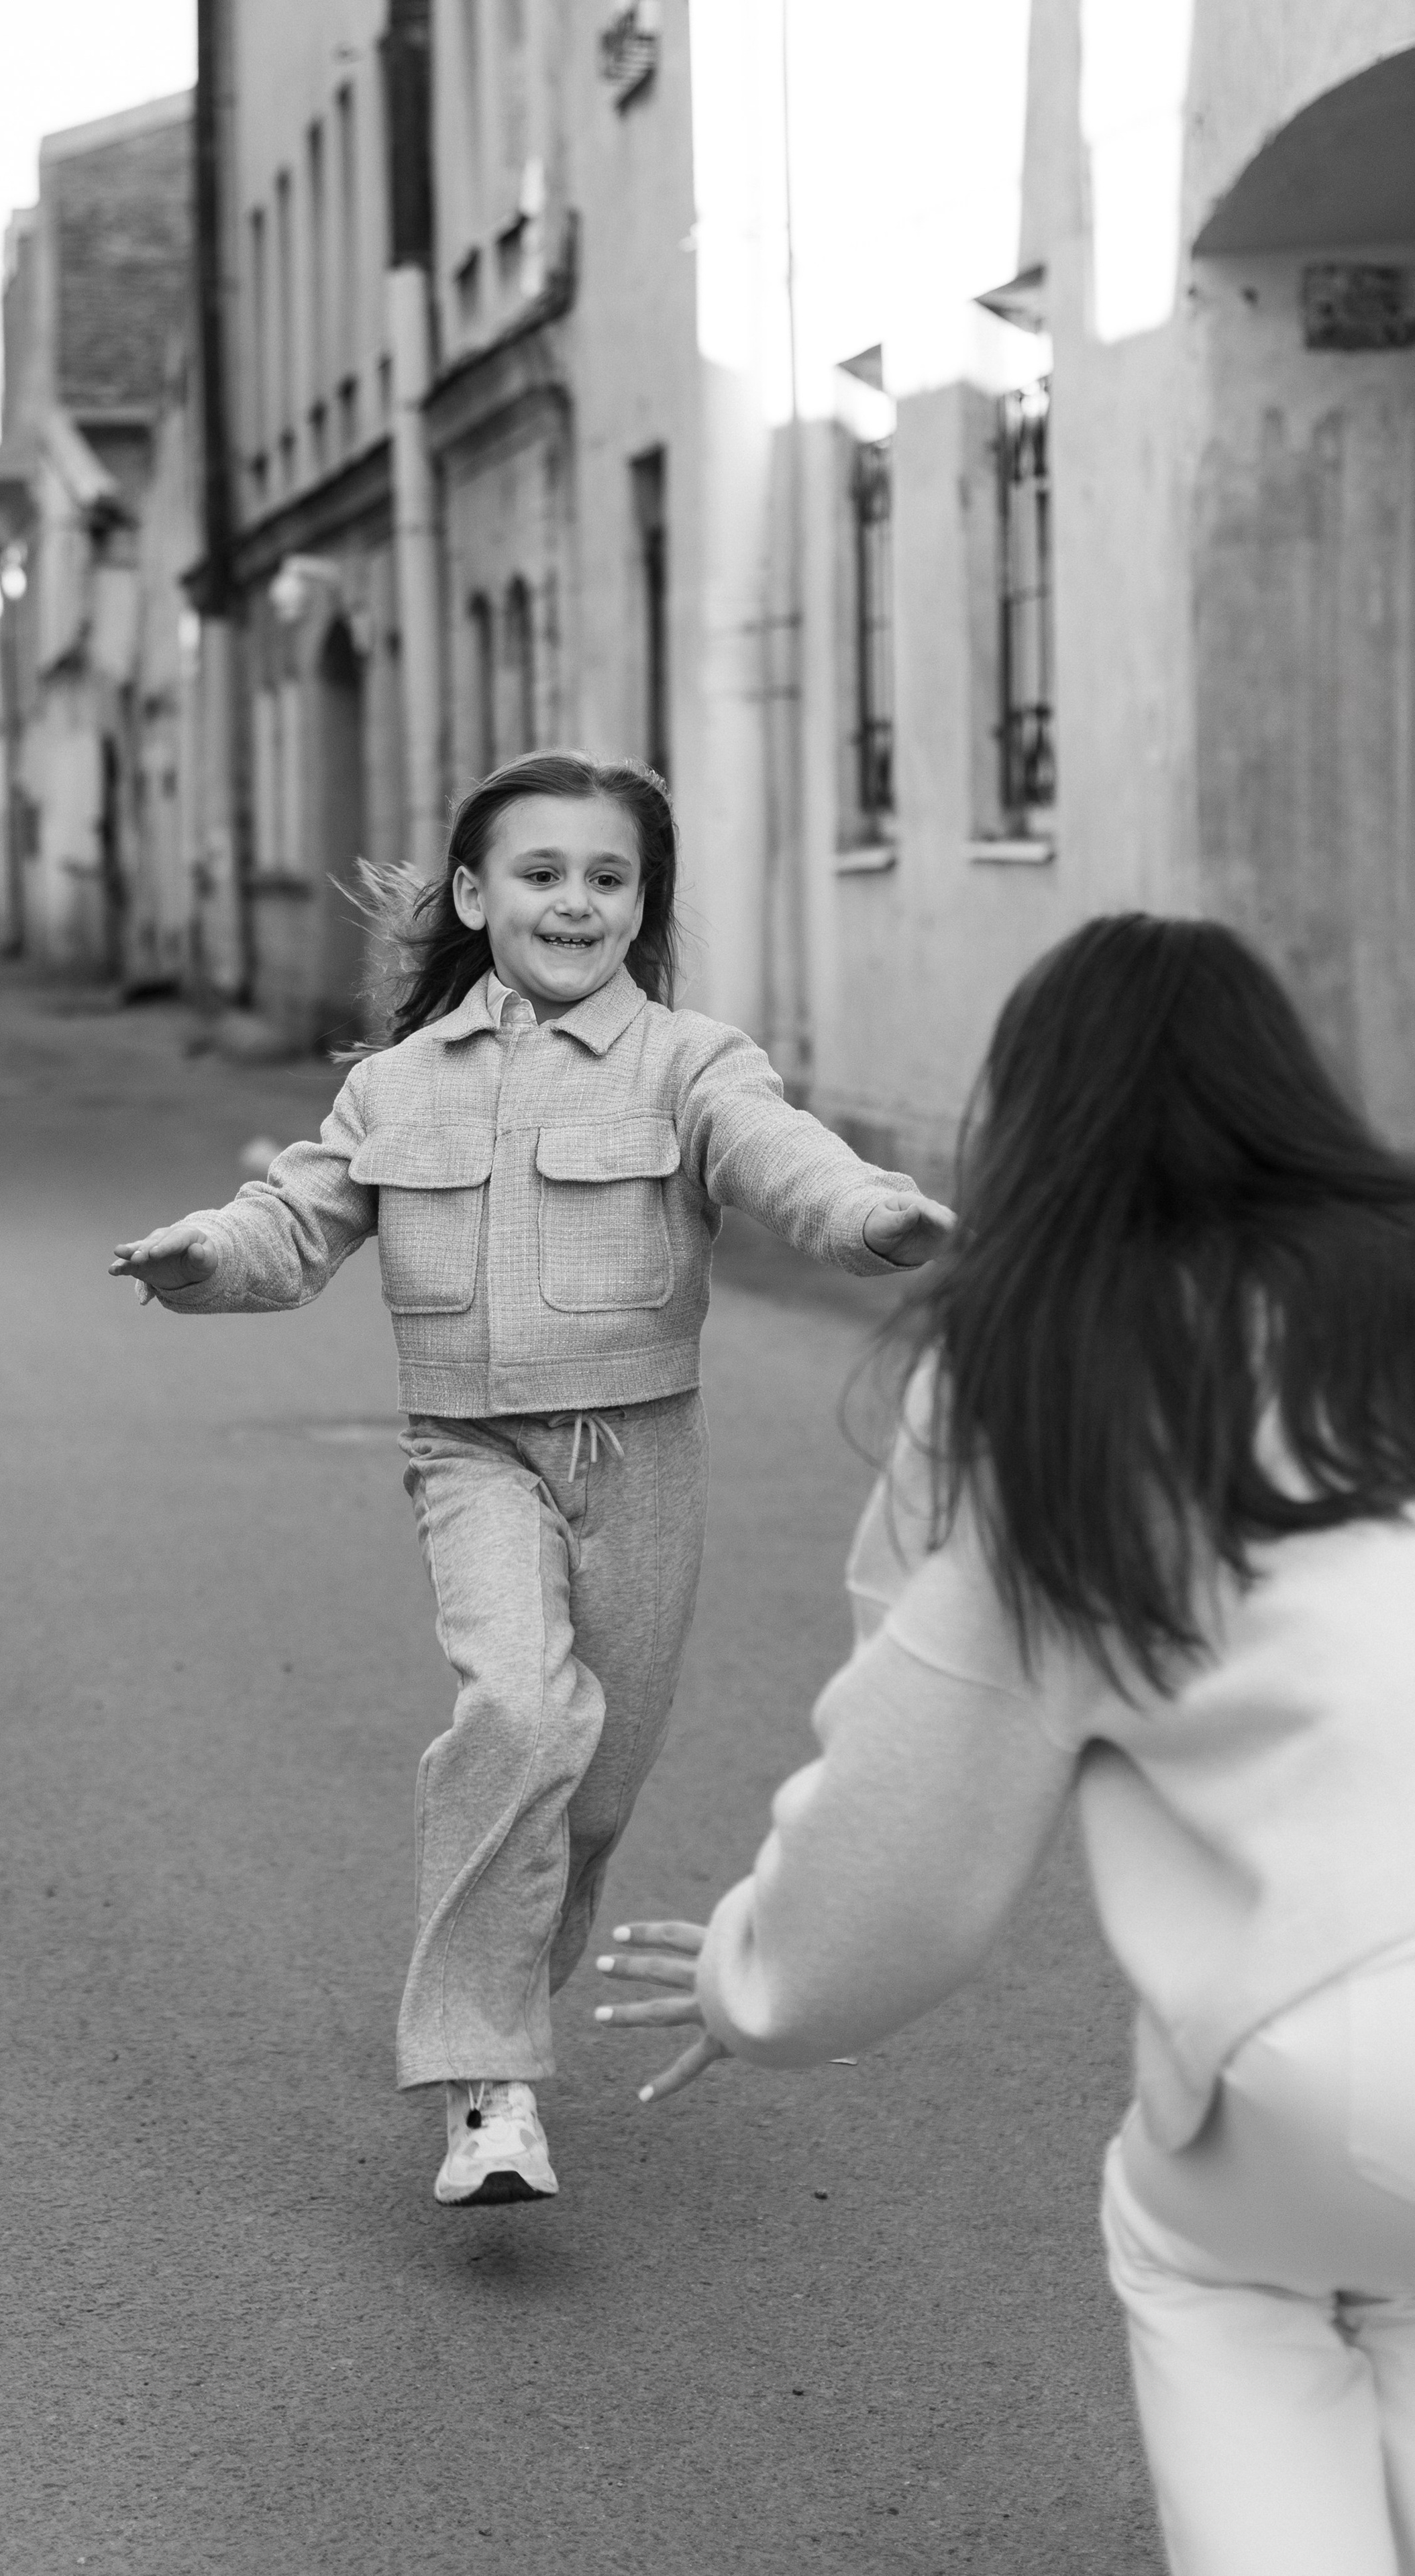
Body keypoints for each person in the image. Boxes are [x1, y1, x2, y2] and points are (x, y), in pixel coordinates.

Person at [594, 912, 1415, 2573]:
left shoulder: (1040, 1371)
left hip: (1326, 2031)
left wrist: (760, 1981)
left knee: (1221, 2267)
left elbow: (918, 1784)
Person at [110, 749, 952, 2208]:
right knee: (516, 1714)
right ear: (472, 894)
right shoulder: (394, 1085)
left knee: (592, 1792)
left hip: (642, 1456)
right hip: (473, 1453)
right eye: (542, 872)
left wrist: (870, 1213)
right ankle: (485, 2086)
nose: (576, 902)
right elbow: (292, 1220)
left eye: (609, 877)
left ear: (643, 902)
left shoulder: (691, 1062)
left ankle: (498, 1996)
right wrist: (204, 1255)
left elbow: (779, 1155)